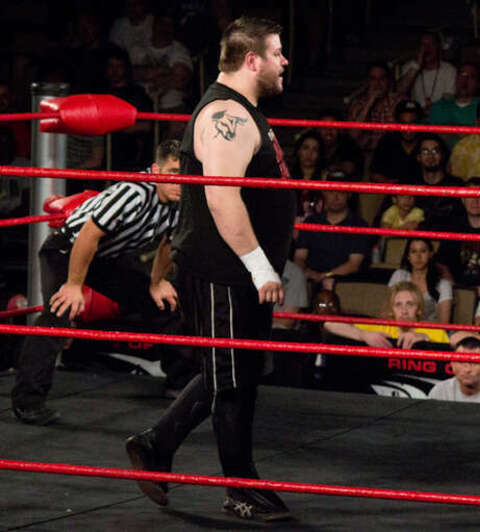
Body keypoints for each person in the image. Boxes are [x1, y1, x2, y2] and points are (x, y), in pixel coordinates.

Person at [124, 17, 295, 522]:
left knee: (231, 372)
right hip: (226, 270)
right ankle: (240, 488)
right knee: (234, 382)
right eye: (277, 52)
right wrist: (261, 266)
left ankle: (156, 444)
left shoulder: (244, 111)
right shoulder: (226, 114)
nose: (285, 60)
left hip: (237, 269)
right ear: (252, 60)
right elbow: (222, 199)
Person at [11, 140, 183, 426]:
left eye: (185, 173)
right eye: (173, 172)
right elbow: (87, 236)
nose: (179, 181)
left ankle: (180, 383)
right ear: (156, 169)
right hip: (67, 250)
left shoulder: (181, 201)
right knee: (59, 315)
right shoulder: (133, 193)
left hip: (107, 257)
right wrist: (74, 285)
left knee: (164, 304)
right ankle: (27, 401)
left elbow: (168, 242)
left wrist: (157, 282)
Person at [323, 281, 449, 348]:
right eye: (398, 305)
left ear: (419, 310)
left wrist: (426, 340)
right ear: (391, 310)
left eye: (410, 304)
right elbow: (329, 324)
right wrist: (363, 334)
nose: (404, 311)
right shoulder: (382, 327)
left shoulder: (436, 332)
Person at [294, 187, 370, 292]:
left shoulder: (359, 225)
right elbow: (299, 257)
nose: (336, 197)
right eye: (331, 192)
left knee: (329, 283)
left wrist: (325, 275)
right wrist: (307, 272)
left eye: (341, 192)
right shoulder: (311, 222)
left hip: (343, 279)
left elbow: (354, 265)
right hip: (310, 277)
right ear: (324, 193)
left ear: (348, 194)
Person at [388, 238, 453, 323]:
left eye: (423, 251)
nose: (418, 256)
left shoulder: (443, 285)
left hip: (429, 333)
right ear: (408, 256)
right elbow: (387, 312)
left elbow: (444, 323)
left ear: (430, 254)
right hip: (399, 330)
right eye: (414, 252)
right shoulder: (399, 276)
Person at [369, 99, 423, 184]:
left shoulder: (428, 141)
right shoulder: (387, 141)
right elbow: (374, 174)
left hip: (424, 193)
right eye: (403, 123)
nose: (408, 128)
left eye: (413, 123)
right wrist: (390, 184)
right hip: (394, 193)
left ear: (420, 123)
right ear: (397, 123)